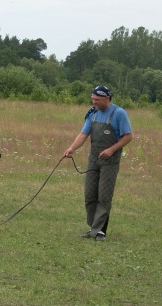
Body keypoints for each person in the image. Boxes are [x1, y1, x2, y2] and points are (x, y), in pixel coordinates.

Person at [64, 86, 133, 242]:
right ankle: (93, 228)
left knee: (104, 196)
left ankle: (101, 231)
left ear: (107, 99)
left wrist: (112, 149)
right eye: (93, 99)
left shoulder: (119, 114)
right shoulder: (93, 114)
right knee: (90, 195)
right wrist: (71, 149)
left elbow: (128, 137)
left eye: (97, 100)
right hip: (93, 158)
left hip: (110, 161)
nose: (94, 102)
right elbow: (83, 134)